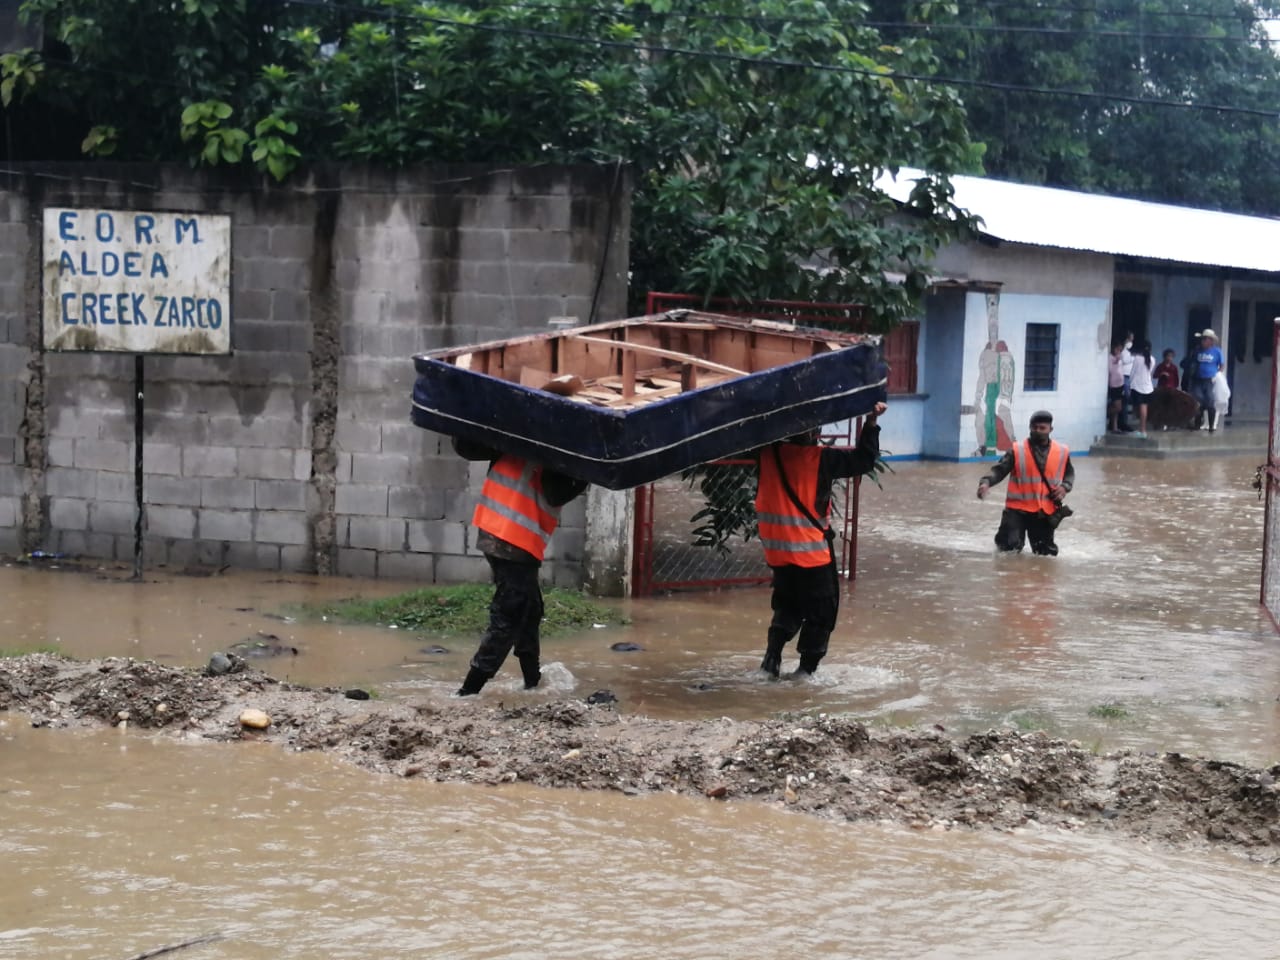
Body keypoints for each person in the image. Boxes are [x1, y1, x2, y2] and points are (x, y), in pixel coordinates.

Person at [754, 401, 886, 679]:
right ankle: (805, 673)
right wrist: (871, 422)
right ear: (814, 432)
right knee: (822, 610)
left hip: (778, 554)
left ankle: (771, 658)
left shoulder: (767, 453)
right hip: (812, 554)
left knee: (787, 604)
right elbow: (864, 460)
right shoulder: (821, 459)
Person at [452, 438, 587, 696]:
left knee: (530, 608)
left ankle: (532, 682)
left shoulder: (514, 434)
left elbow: (466, 446)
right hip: (517, 540)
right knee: (509, 616)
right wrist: (586, 473)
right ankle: (468, 691)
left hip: (494, 531)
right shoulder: (557, 448)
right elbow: (555, 491)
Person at [977, 410, 1074, 557]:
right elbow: (999, 470)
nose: (1038, 431)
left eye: (1042, 428)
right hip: (1017, 510)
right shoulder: (1017, 450)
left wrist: (1064, 487)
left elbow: (1069, 474)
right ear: (1029, 427)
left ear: (1050, 429)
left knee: (1045, 555)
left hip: (1043, 512)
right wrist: (986, 483)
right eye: (1034, 427)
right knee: (1009, 550)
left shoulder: (1062, 451)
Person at [1190, 329, 1224, 431]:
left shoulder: (1217, 351)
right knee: (1198, 400)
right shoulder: (1198, 351)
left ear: (1211, 340)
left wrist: (1218, 375)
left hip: (1210, 379)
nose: (1203, 341)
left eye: (1205, 339)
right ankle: (1197, 424)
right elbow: (1193, 362)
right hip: (1198, 379)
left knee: (1210, 401)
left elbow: (1222, 365)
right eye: (1202, 339)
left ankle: (1211, 425)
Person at [1127, 340, 1155, 438]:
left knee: (1139, 408)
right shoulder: (1152, 359)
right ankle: (1142, 429)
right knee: (1144, 408)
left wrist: (1130, 383)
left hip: (1137, 386)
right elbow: (1150, 372)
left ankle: (1142, 430)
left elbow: (1133, 372)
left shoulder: (1137, 358)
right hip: (1148, 387)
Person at [1106, 342, 1126, 434]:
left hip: (1120, 384)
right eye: (1117, 349)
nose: (1118, 351)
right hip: (1113, 385)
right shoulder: (1110, 358)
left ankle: (1115, 427)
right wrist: (1116, 361)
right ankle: (1105, 414)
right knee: (1117, 407)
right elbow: (1110, 369)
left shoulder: (1120, 359)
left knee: (1118, 407)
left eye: (1120, 350)